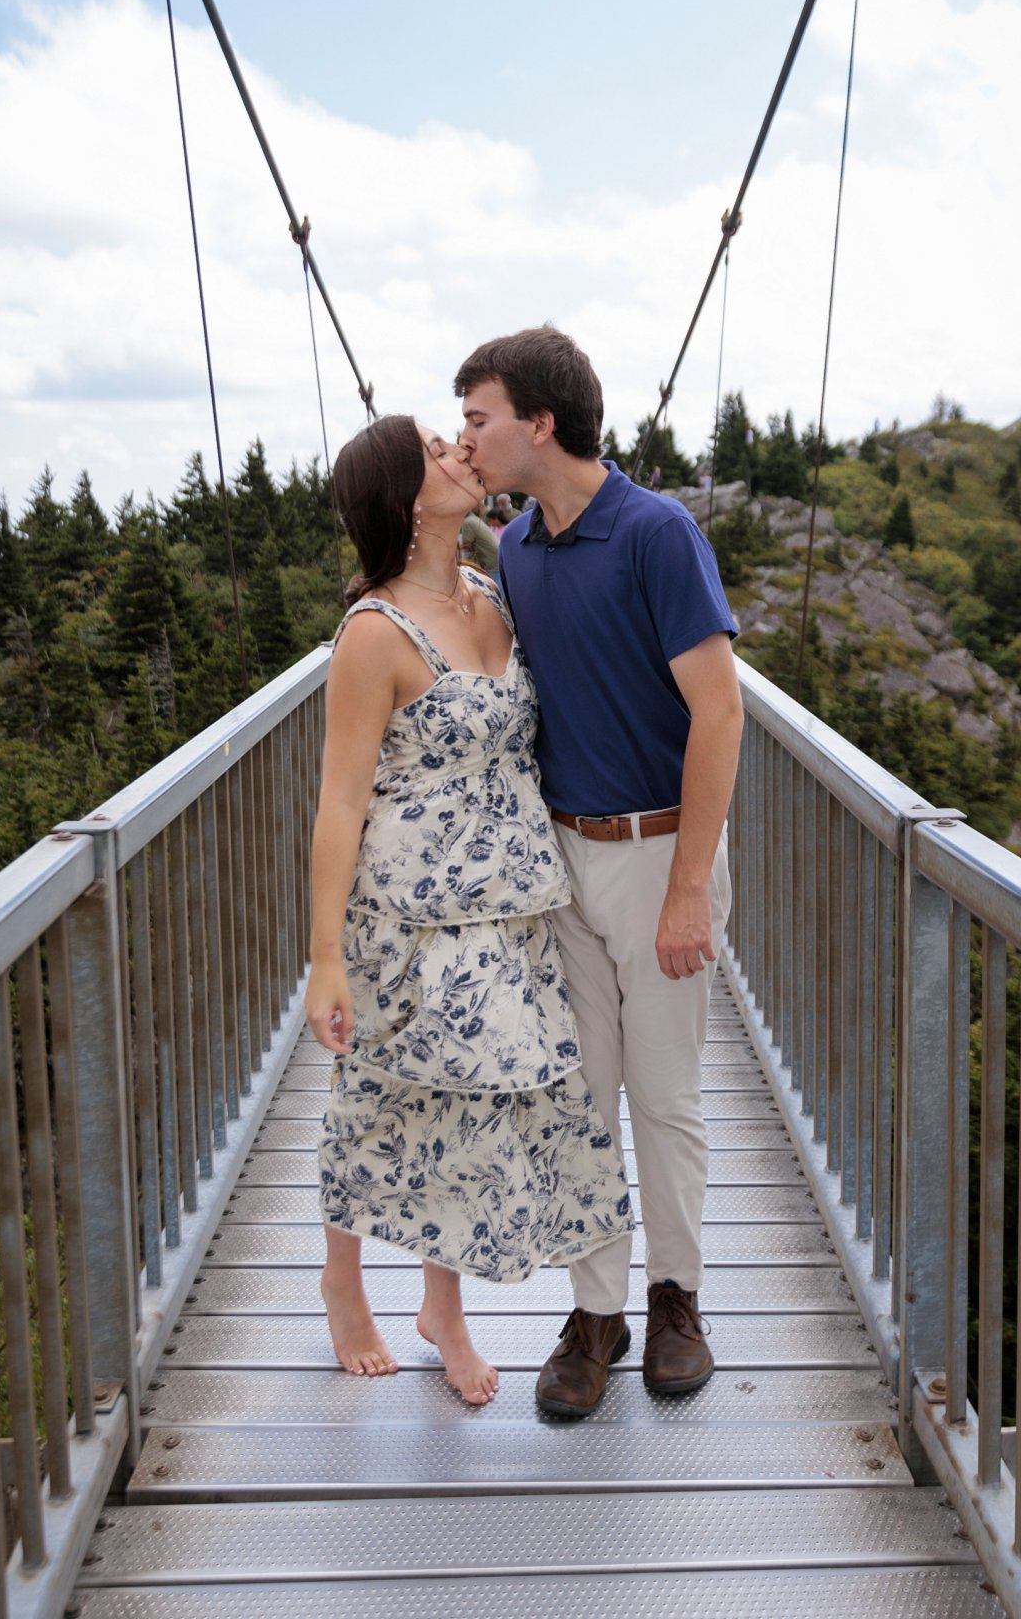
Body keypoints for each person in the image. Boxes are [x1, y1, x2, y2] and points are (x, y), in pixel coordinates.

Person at [305, 413, 632, 1407]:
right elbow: (340, 804)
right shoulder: (372, 634)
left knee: (464, 1106)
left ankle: (441, 1308)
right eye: (438, 452)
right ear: (407, 500)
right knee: (378, 1100)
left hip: (511, 908)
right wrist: (325, 957)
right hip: (405, 915)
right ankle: (344, 1281)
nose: (460, 452)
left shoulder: (493, 595)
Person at [456, 325, 743, 1419]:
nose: (466, 436)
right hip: (561, 860)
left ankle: (677, 1302)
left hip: (664, 850)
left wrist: (686, 889)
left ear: (540, 421)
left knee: (663, 1099)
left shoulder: (657, 534)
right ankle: (596, 1314)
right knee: (579, 1102)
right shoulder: (517, 551)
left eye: (479, 417)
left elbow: (720, 711)